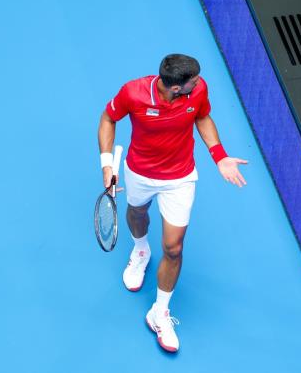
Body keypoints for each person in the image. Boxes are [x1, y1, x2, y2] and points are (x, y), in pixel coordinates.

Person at [97, 53, 247, 352]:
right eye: (193, 81)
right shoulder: (133, 93)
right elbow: (108, 119)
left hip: (180, 178)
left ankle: (159, 312)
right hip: (140, 172)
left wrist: (219, 156)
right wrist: (106, 165)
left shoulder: (199, 90)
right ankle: (141, 250)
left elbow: (202, 116)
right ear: (176, 87)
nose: (199, 83)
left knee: (174, 248)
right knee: (137, 213)